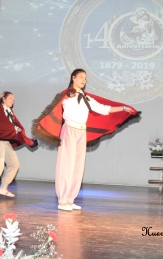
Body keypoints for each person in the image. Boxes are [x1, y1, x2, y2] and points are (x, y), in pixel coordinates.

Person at [32, 69, 139, 211]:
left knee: (78, 166)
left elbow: (103, 109)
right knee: (67, 165)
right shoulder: (66, 95)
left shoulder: (86, 98)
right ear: (73, 78)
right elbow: (54, 110)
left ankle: (70, 199)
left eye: (85, 78)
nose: (84, 80)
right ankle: (62, 200)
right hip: (69, 130)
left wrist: (123, 108)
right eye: (81, 77)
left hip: (81, 132)